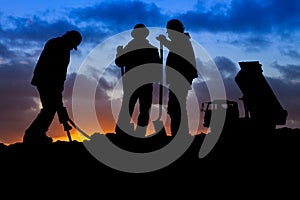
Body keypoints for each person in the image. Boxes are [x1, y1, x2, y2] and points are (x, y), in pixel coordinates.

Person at [23, 30, 82, 144]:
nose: (71, 48)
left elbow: (60, 71)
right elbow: (56, 70)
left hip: (47, 81)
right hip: (48, 81)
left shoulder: (57, 44)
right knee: (50, 108)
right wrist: (57, 87)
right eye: (72, 45)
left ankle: (36, 134)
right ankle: (33, 135)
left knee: (50, 108)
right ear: (70, 39)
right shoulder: (59, 46)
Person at [115, 23, 161, 136]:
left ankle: (122, 132)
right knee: (142, 108)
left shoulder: (131, 48)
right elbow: (157, 67)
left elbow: (119, 62)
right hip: (144, 82)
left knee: (129, 106)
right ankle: (140, 133)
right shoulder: (152, 49)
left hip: (133, 82)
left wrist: (119, 53)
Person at [156, 19, 198, 136]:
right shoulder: (182, 40)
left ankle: (180, 133)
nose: (168, 34)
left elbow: (175, 48)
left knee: (176, 106)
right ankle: (180, 132)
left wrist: (163, 41)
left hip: (181, 79)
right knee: (176, 106)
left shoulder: (183, 41)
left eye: (169, 31)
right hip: (178, 78)